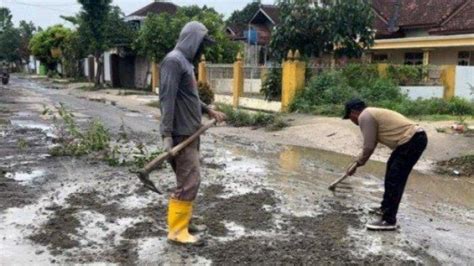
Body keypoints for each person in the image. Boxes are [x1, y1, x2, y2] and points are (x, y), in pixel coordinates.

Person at [159, 21, 226, 245]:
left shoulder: (185, 63)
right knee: (189, 181)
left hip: (191, 132)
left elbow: (190, 98)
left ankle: (183, 222)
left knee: (188, 179)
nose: (202, 49)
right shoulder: (173, 61)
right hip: (180, 134)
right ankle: (177, 232)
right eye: (201, 44)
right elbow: (166, 99)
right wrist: (166, 134)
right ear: (192, 40)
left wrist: (208, 111)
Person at [343, 99, 427, 231]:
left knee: (395, 179)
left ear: (353, 113)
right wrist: (357, 162)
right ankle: (385, 208)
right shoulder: (371, 113)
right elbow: (373, 142)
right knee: (391, 174)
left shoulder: (365, 116)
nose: (353, 122)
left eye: (350, 118)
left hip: (412, 140)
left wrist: (357, 163)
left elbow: (369, 146)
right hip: (411, 140)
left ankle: (389, 220)